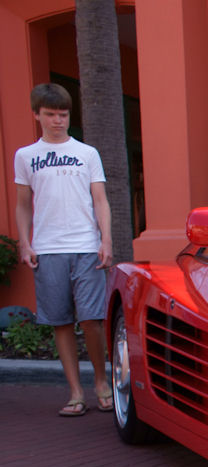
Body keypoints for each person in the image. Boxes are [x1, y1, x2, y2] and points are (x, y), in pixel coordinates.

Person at [13, 83, 113, 416]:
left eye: (63, 114)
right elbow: (24, 204)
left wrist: (106, 240)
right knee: (60, 322)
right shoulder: (26, 156)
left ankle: (101, 382)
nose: (58, 120)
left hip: (86, 246)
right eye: (51, 114)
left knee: (92, 320)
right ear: (37, 115)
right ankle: (75, 393)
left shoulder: (88, 153)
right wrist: (25, 243)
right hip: (47, 249)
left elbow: (100, 199)